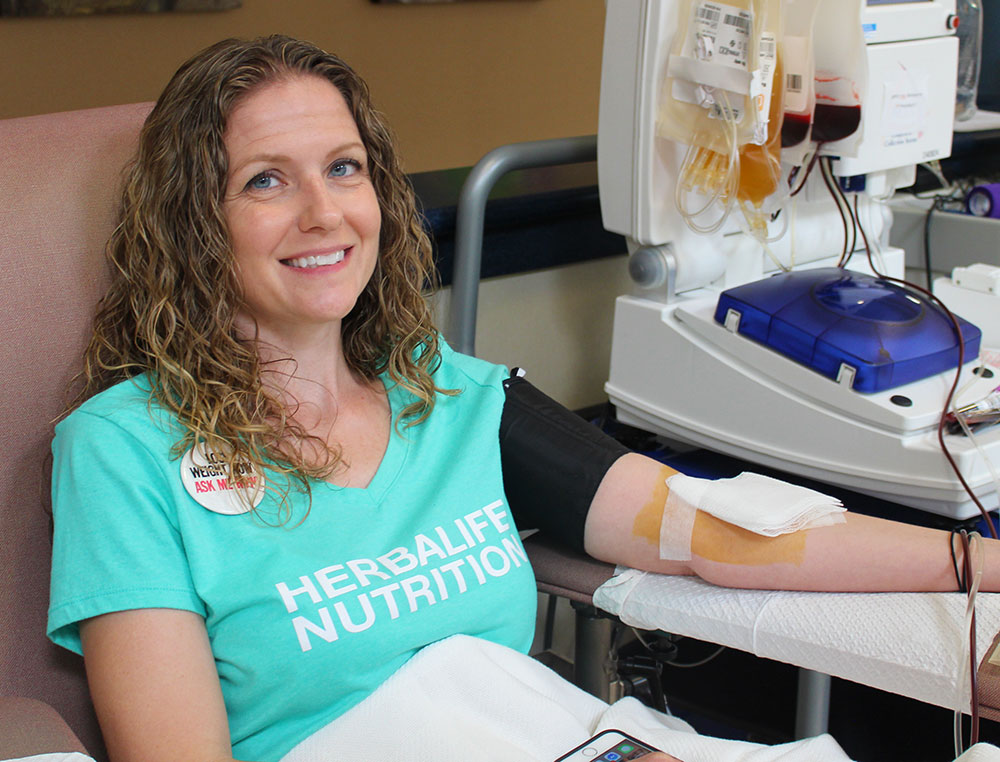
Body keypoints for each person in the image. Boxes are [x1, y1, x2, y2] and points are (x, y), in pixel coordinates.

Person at [46, 35, 1000, 762]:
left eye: (344, 168)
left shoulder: (447, 392)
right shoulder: (125, 452)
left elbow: (716, 531)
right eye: (266, 181)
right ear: (194, 224)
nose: (324, 212)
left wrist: (980, 563)